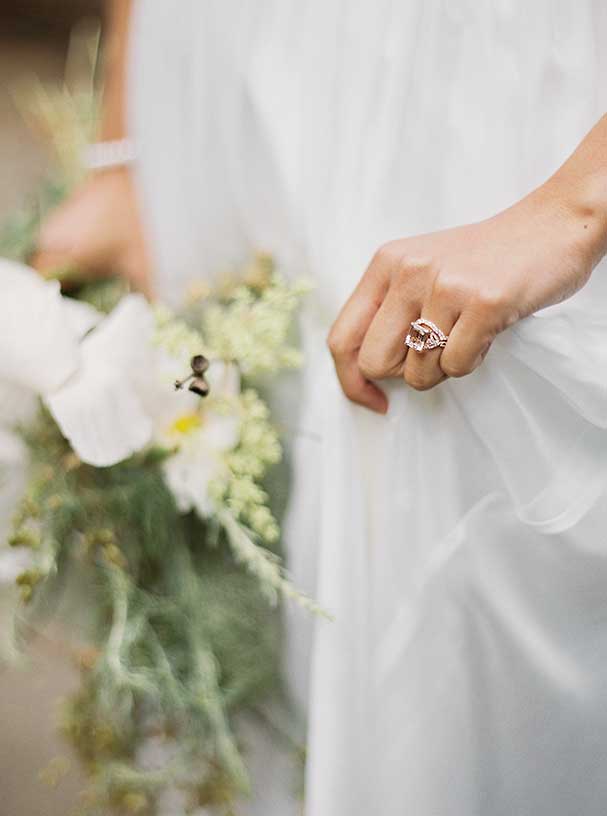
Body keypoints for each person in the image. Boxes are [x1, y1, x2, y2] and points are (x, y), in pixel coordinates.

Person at [34, 2, 607, 813]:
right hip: (219, 102)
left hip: (487, 116)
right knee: (230, 518)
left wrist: (576, 207)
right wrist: (122, 149)